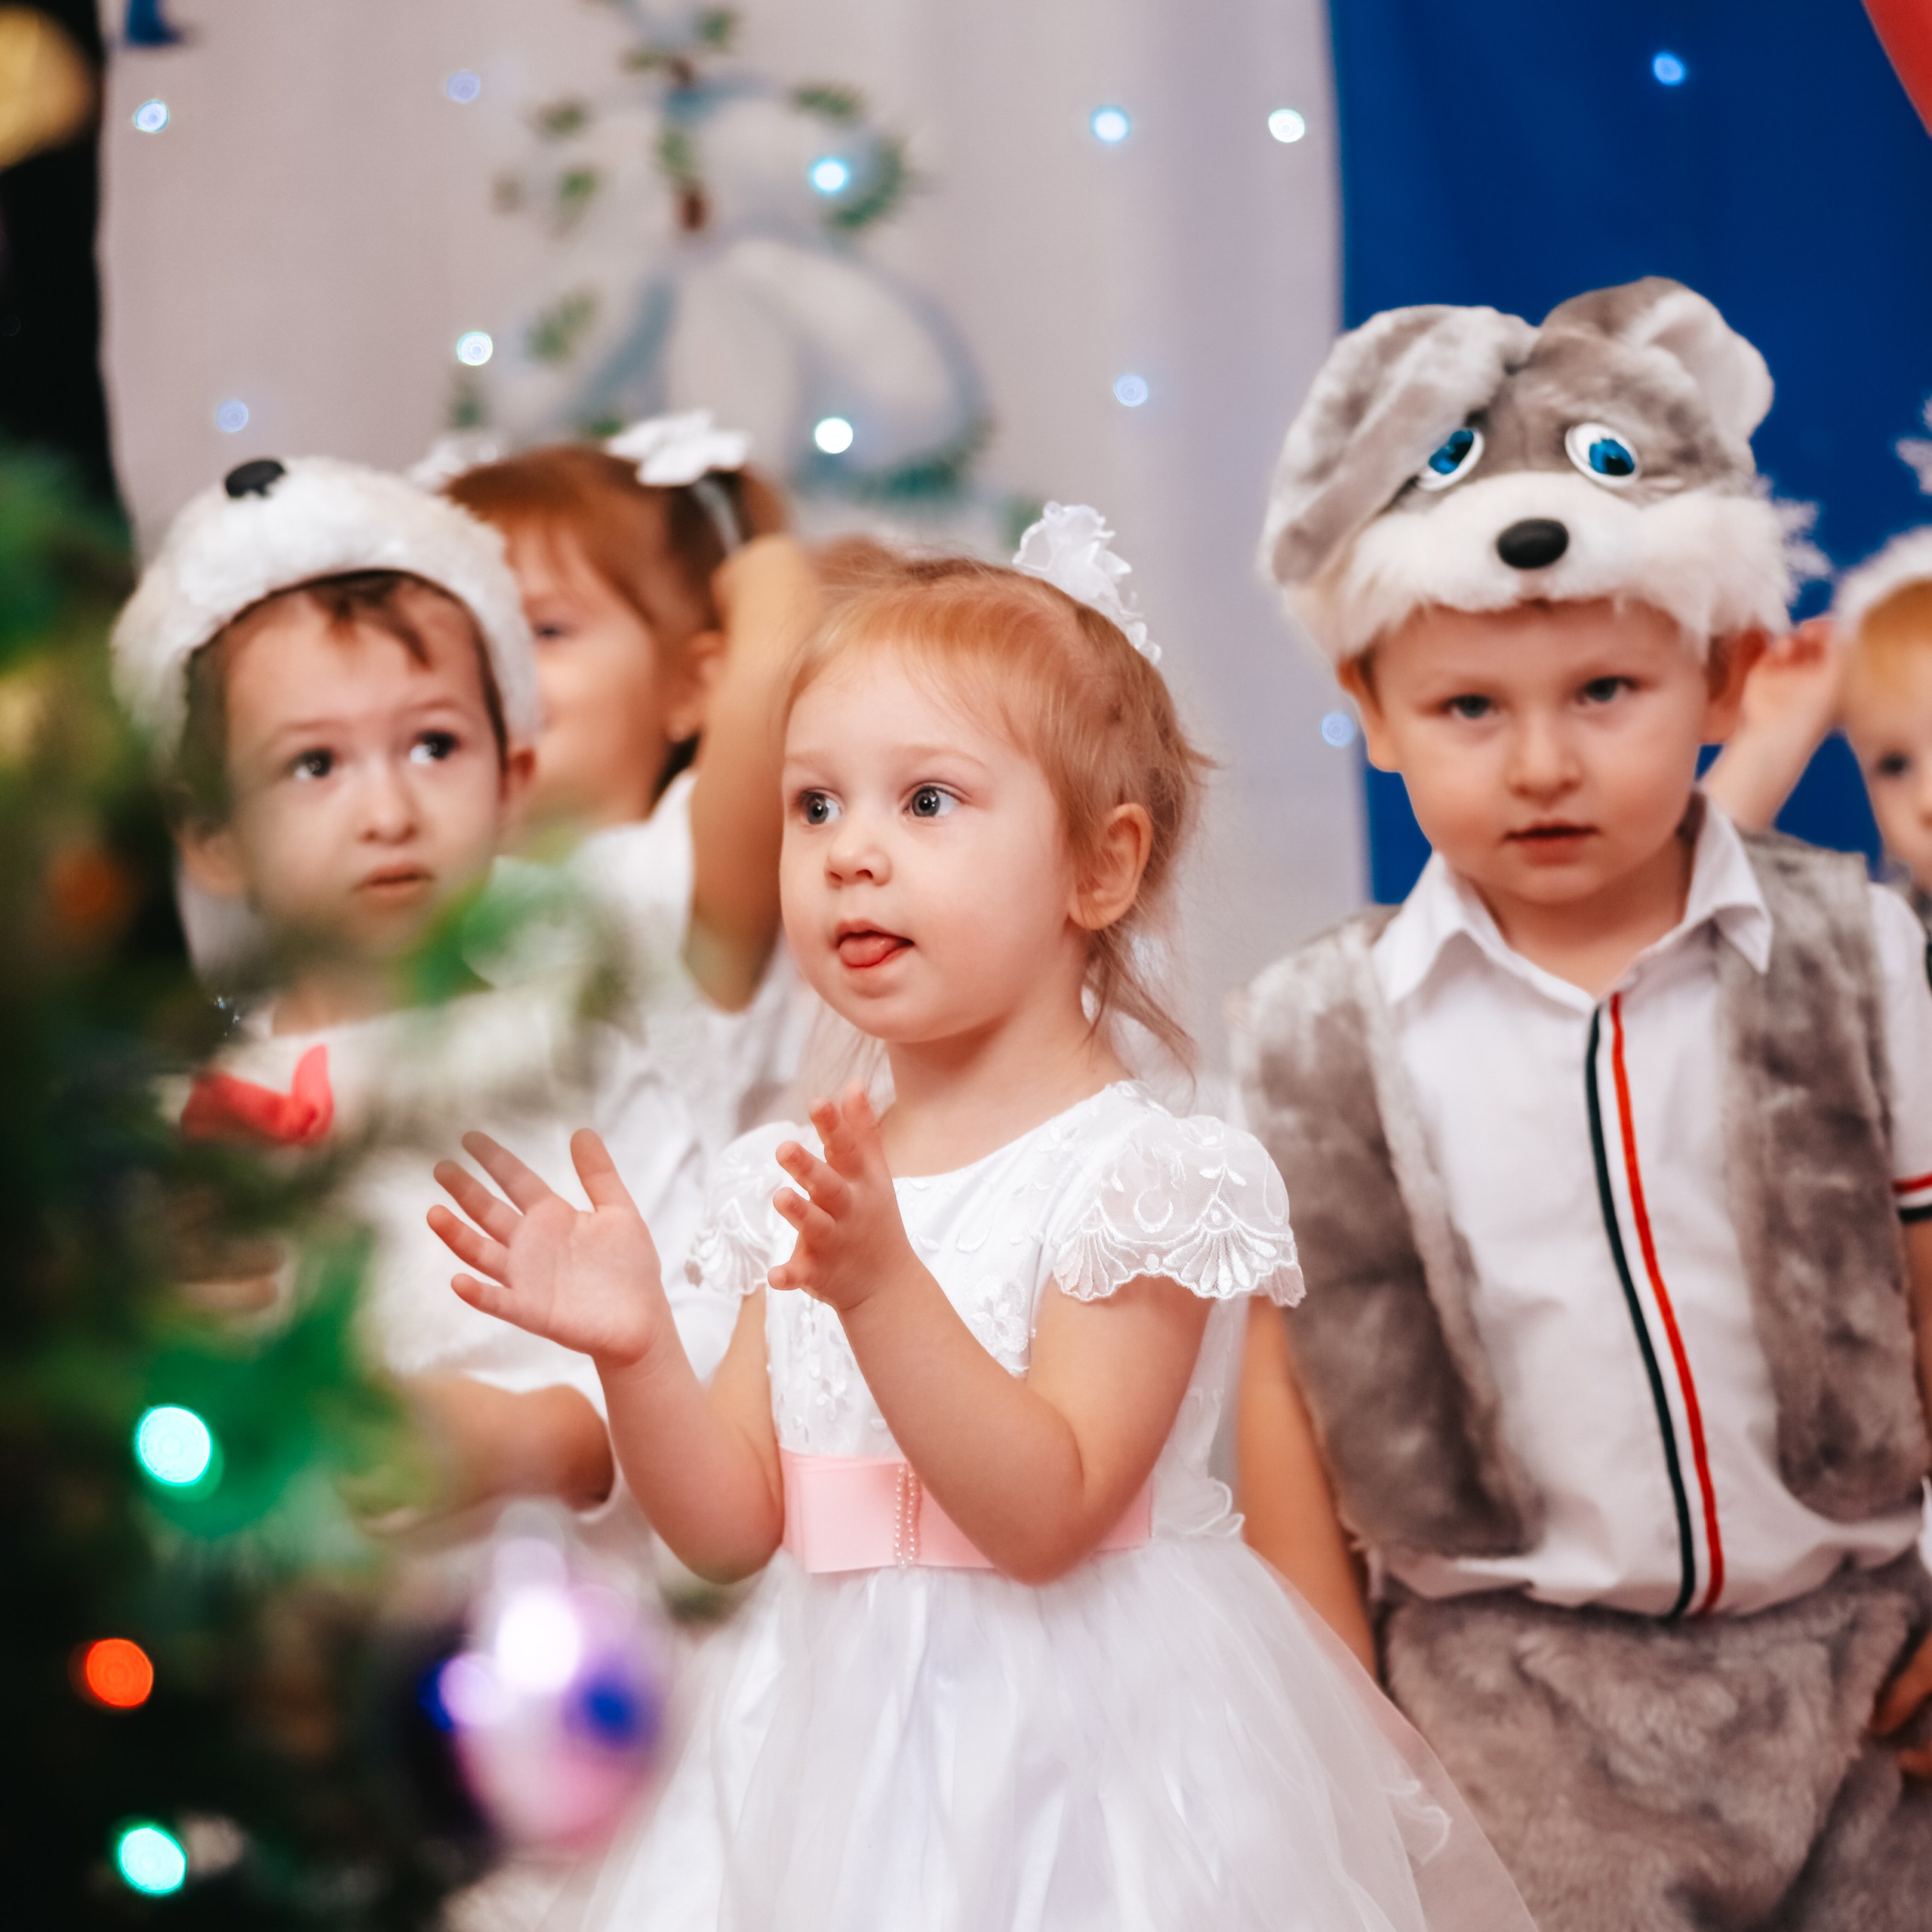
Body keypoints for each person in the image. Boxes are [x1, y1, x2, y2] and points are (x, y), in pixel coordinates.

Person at [425, 507, 1537, 1931]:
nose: (851, 854)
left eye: (927, 802)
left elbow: (1048, 1514)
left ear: (1101, 869)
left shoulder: (1144, 1172)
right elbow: (729, 1527)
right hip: (804, 1735)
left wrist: (884, 1285)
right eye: (814, 805)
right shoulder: (793, 1172)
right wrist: (637, 1351)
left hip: (1070, 1754)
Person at [1233, 278, 1932, 1930]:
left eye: (1602, 696)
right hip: (1510, 1700)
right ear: (1372, 706)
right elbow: (1286, 1416)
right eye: (1470, 707)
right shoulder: (1313, 1032)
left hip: (1854, 1661)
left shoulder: (1848, 948)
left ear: (1723, 673)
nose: (1538, 763)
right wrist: (1354, 1735)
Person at [111, 454, 719, 1531]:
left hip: (595, 1618)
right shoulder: (211, 1128)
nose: (387, 810)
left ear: (511, 777)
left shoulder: (581, 1045)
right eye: (315, 766)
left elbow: (715, 1334)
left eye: (433, 745)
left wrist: (534, 1439)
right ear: (211, 833)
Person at [441, 416, 823, 1163]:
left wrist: (752, 538)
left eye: (545, 631)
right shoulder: (415, 891)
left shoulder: (665, 881)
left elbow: (778, 665)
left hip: (651, 1282)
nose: (496, 671)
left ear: (690, 685)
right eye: (465, 638)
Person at [1705, 525, 1932, 929]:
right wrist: (1770, 739)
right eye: (1895, 765)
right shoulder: (1875, 949)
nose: (1928, 800)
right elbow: (1670, 917)